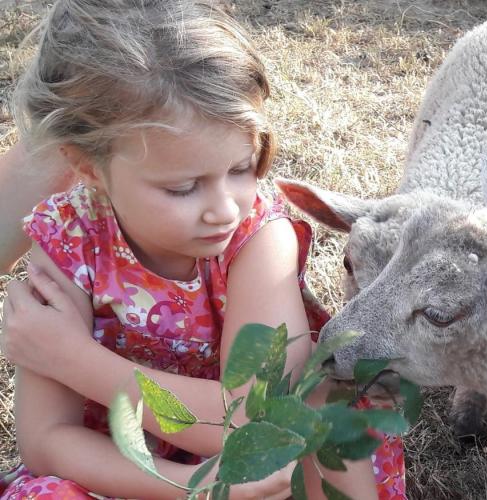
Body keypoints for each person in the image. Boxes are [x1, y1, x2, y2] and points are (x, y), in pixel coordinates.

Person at [0, 1, 406, 498]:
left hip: (265, 464)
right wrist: (192, 489)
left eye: (241, 168)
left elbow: (257, 422)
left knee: (324, 431)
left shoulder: (258, 238)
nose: (224, 209)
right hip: (126, 470)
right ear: (87, 167)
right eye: (183, 187)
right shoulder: (68, 243)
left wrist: (74, 360)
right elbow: (46, 442)